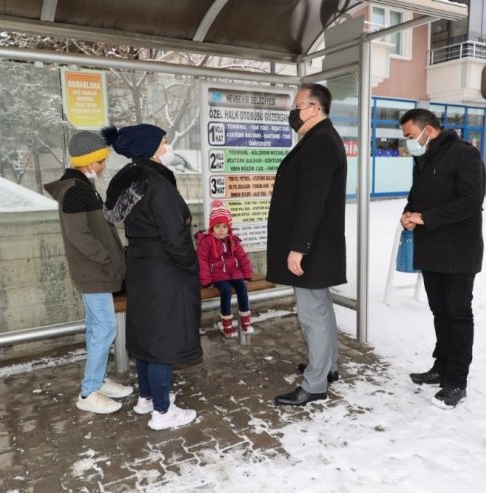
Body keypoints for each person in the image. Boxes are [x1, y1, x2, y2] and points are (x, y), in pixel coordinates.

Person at [102, 124, 202, 431]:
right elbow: (175, 235)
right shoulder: (156, 184)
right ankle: (162, 411)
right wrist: (190, 265)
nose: (167, 145)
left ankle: (146, 397)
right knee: (162, 338)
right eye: (162, 141)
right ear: (148, 148)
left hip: (141, 267)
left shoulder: (127, 181)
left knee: (146, 333)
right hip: (165, 269)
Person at [399, 108, 485, 408]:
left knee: (458, 315)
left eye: (410, 136)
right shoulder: (422, 157)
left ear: (428, 130)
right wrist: (409, 213)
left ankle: (457, 381)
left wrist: (426, 217)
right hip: (431, 248)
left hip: (459, 251)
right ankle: (441, 367)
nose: (407, 142)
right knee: (440, 312)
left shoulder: (465, 155)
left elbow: (471, 201)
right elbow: (417, 194)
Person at [268, 83, 347, 407]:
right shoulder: (321, 139)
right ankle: (327, 366)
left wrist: (299, 246)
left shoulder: (320, 142)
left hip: (311, 247)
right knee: (321, 308)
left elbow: (312, 200)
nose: (293, 111)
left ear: (314, 108)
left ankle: (315, 384)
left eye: (298, 104)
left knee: (312, 315)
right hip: (319, 246)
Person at [43, 130, 133, 414]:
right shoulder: (74, 190)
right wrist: (105, 258)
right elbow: (78, 235)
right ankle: (88, 392)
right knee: (105, 327)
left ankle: (98, 381)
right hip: (93, 271)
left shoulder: (83, 185)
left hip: (96, 270)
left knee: (97, 327)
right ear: (88, 161)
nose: (104, 165)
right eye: (101, 161)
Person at [197, 199, 254, 337]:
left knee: (242, 288)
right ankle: (225, 321)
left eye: (224, 226)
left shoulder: (233, 240)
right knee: (226, 291)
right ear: (211, 228)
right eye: (217, 226)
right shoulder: (206, 242)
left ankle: (245, 319)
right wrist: (206, 280)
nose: (221, 230)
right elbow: (202, 261)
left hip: (233, 272)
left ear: (229, 227)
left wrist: (246, 274)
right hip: (216, 274)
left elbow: (242, 257)